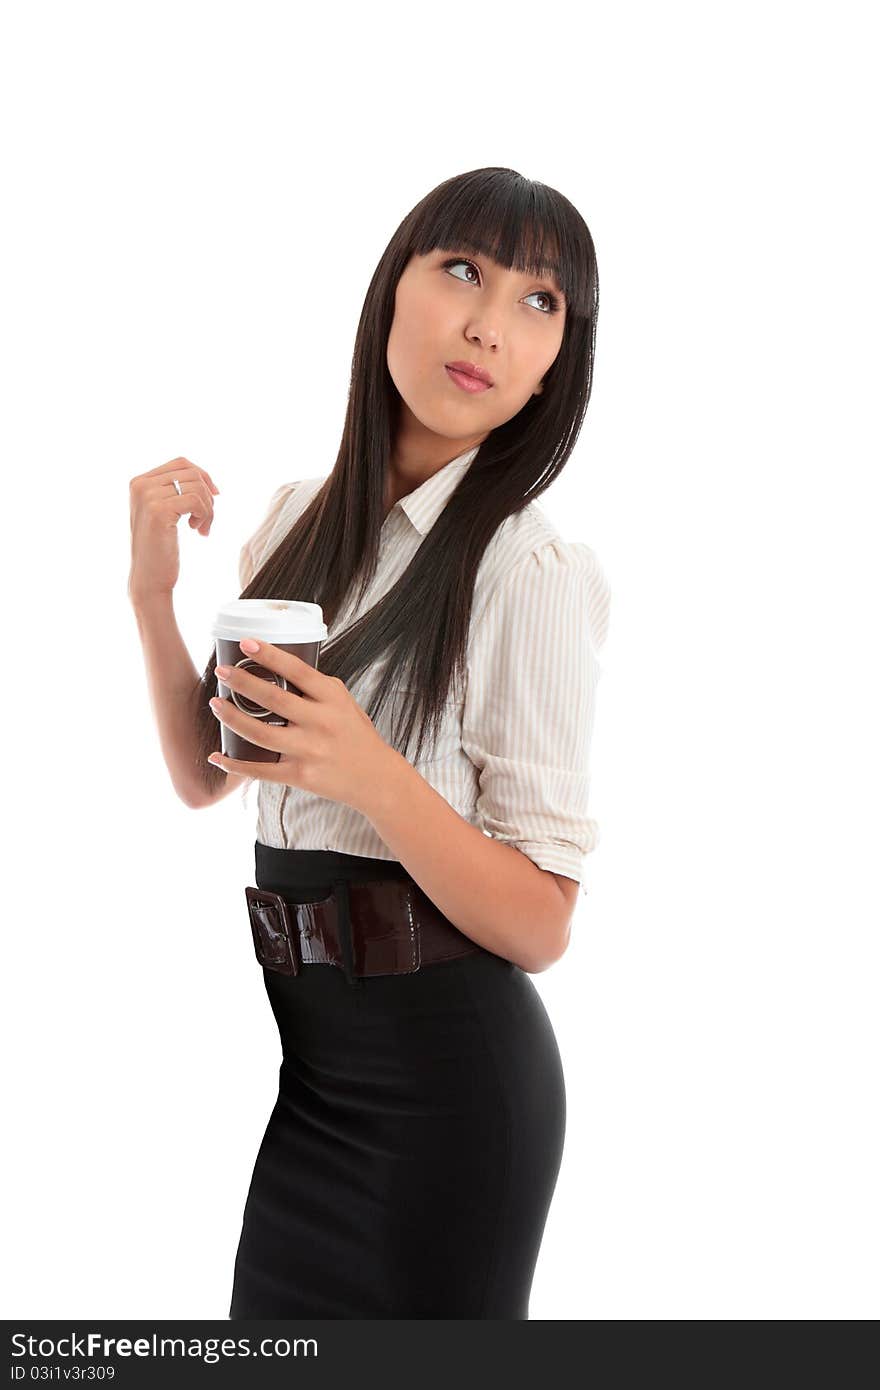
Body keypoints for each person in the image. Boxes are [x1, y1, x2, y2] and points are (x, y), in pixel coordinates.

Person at [128, 166, 611, 1319]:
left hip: (454, 1102)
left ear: (557, 362)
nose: (490, 325)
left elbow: (542, 921)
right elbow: (209, 773)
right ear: (392, 287)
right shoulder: (294, 522)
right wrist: (154, 597)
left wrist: (373, 777)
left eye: (540, 302)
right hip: (315, 1087)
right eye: (463, 271)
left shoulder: (530, 570)